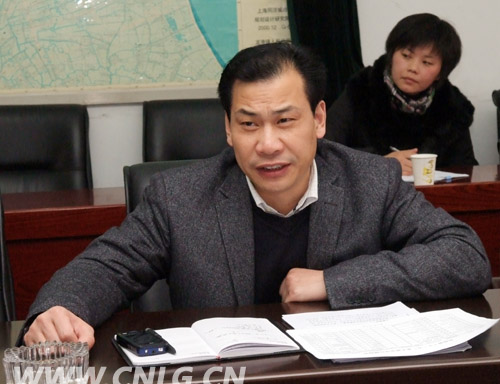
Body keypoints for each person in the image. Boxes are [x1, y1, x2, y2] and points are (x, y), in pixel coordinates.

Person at [23, 42, 490, 348]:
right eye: (249, 124)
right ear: (228, 129)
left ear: (319, 120)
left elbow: (465, 256)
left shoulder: (370, 181)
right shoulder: (180, 197)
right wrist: (59, 310)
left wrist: (335, 282)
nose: (268, 144)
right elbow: (105, 266)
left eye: (285, 120)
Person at [325, 13, 478, 175]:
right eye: (406, 56)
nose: (413, 68)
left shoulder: (452, 108)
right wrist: (378, 162)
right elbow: (325, 149)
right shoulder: (361, 89)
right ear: (391, 54)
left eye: (426, 62)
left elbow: (466, 169)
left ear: (441, 73)